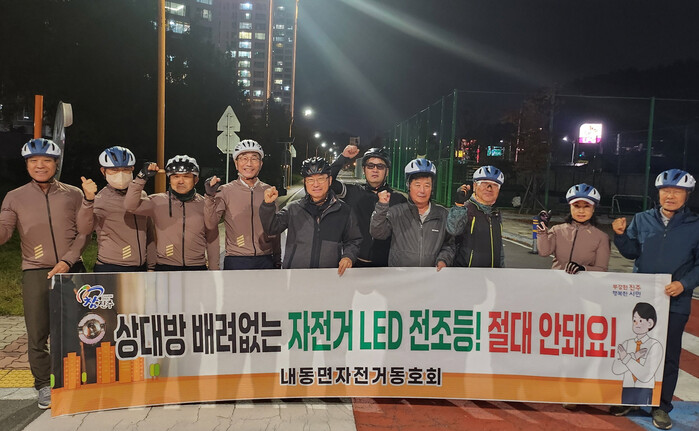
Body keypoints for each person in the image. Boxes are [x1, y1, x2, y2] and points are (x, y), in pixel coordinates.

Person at [0, 138, 88, 409]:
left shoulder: (74, 193)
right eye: (33, 161)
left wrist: (68, 261)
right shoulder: (14, 196)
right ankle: (43, 384)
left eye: (46, 160)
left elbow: (84, 232)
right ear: (27, 165)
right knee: (37, 333)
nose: (40, 165)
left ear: (56, 164)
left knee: (78, 329)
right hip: (36, 271)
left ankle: (76, 378)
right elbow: (4, 231)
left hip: (72, 269)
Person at [610, 169, 699, 430]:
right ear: (658, 193)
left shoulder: (695, 225)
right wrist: (620, 236)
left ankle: (661, 406)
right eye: (665, 191)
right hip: (643, 300)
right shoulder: (642, 219)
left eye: (677, 191)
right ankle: (634, 400)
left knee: (668, 355)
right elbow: (631, 252)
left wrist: (684, 284)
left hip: (675, 301)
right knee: (637, 351)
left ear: (687, 195)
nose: (670, 196)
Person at [259, 157, 361, 274]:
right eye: (310, 180)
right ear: (305, 182)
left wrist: (348, 256)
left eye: (321, 179)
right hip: (297, 275)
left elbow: (354, 240)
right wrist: (268, 205)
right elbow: (272, 228)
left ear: (330, 180)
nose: (316, 184)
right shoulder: (293, 208)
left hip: (329, 275)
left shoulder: (343, 210)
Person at [124, 155, 219, 271]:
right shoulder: (158, 202)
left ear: (196, 180)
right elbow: (130, 206)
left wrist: (214, 271)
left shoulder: (205, 203)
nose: (180, 181)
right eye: (175, 176)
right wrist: (141, 177)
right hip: (165, 266)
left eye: (186, 176)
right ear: (170, 179)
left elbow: (212, 237)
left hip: (196, 267)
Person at [203, 140, 280, 270]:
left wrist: (277, 259)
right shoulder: (225, 191)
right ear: (236, 163)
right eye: (244, 158)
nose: (249, 163)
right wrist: (210, 196)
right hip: (236, 258)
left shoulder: (269, 191)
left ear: (261, 164)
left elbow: (275, 230)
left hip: (266, 258)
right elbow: (210, 224)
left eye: (254, 158)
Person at [78, 146, 154, 272]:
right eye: (114, 170)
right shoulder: (100, 199)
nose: (121, 174)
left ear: (132, 169)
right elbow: (84, 229)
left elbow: (149, 232)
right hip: (110, 267)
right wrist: (88, 200)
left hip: (141, 267)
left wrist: (151, 266)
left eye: (125, 169)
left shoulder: (142, 195)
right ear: (103, 171)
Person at [328, 145, 406, 267]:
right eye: (370, 166)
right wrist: (343, 157)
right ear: (364, 170)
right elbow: (328, 181)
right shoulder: (353, 192)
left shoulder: (398, 199)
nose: (375, 170)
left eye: (380, 166)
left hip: (387, 265)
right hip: (355, 262)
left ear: (387, 171)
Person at [369, 158, 454, 269]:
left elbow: (449, 244)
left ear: (432, 188)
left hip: (431, 276)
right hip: (401, 277)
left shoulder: (442, 215)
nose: (422, 191)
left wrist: (443, 260)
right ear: (408, 186)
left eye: (427, 185)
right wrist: (381, 207)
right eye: (417, 185)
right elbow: (377, 233)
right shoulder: (396, 212)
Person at [537, 183, 610, 274]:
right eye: (576, 206)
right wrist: (542, 232)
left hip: (585, 282)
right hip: (557, 280)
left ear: (593, 208)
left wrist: (583, 269)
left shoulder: (602, 237)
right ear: (570, 207)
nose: (581, 211)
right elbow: (544, 252)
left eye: (587, 206)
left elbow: (602, 269)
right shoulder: (557, 230)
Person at [447, 165, 505, 268]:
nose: (489, 188)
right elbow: (453, 230)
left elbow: (499, 249)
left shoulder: (495, 214)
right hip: (467, 274)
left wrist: (502, 270)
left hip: (492, 275)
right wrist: (459, 205)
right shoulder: (466, 209)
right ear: (474, 186)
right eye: (484, 183)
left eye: (495, 185)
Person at [611, 302, 664, 406]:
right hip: (627, 387)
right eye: (634, 320)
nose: (636, 324)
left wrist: (626, 358)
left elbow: (646, 374)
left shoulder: (655, 345)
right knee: (623, 406)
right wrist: (634, 356)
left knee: (644, 405)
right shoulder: (627, 343)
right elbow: (616, 369)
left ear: (650, 323)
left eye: (640, 321)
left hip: (645, 388)